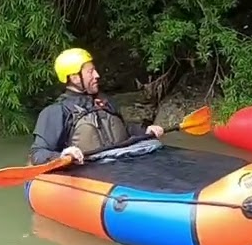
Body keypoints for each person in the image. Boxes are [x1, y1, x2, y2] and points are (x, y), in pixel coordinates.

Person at [28, 48, 163, 165]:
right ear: (75, 78)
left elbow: (125, 129)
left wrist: (145, 130)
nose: (97, 75)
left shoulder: (105, 101)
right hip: (91, 172)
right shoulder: (56, 112)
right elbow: (37, 153)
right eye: (90, 72)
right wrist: (62, 155)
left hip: (124, 163)